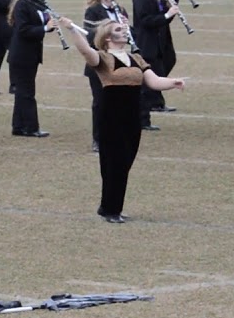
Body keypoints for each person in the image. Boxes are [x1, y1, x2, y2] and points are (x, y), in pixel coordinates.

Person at [60, 16, 184, 223]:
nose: (124, 31)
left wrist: (173, 82)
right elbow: (85, 51)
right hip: (111, 115)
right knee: (114, 162)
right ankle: (111, 209)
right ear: (108, 38)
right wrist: (72, 30)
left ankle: (109, 205)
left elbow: (153, 81)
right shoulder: (103, 58)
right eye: (118, 29)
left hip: (131, 115)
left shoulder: (136, 58)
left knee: (126, 160)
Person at [82, 0, 132, 152]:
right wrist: (110, 30)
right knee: (101, 103)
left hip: (119, 61)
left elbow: (128, 36)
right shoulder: (92, 12)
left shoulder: (121, 10)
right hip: (100, 61)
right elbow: (90, 39)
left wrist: (127, 27)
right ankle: (99, 139)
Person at [7, 0, 56, 138]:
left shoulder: (36, 3)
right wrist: (45, 28)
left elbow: (38, 23)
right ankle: (31, 127)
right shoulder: (22, 5)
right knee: (26, 92)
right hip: (22, 55)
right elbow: (23, 30)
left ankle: (18, 126)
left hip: (31, 53)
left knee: (23, 91)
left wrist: (50, 22)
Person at [131, 0, 179, 131]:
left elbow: (162, 19)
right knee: (144, 85)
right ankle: (143, 119)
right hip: (145, 44)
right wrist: (167, 14)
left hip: (157, 43)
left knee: (157, 75)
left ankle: (153, 107)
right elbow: (146, 21)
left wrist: (171, 8)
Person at [144, 0, 184, 112]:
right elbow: (159, 4)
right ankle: (154, 99)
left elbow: (168, 0)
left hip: (163, 24)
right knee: (157, 64)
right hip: (157, 24)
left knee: (169, 59)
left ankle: (154, 92)